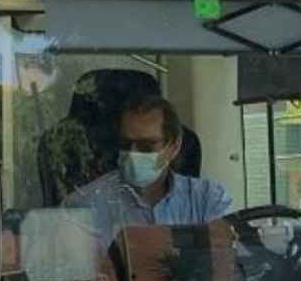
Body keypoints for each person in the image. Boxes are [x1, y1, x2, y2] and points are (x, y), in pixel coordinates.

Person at [63, 95, 233, 248]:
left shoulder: (208, 199)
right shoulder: (83, 206)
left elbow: (229, 264)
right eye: (125, 144)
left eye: (146, 146)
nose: (132, 154)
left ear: (174, 147)